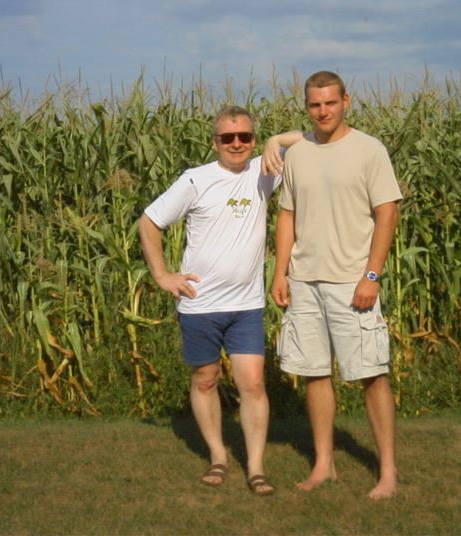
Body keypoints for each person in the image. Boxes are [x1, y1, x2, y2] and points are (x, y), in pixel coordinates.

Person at [139, 105, 300, 496]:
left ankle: (256, 467)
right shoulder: (195, 180)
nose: (237, 144)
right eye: (228, 137)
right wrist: (162, 275)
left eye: (245, 136)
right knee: (206, 379)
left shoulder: (266, 171)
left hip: (246, 305)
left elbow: (313, 136)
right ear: (214, 142)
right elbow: (149, 222)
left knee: (254, 383)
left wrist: (275, 140)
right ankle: (217, 456)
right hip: (200, 305)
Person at [270, 71, 402, 500]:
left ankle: (387, 472)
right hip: (304, 282)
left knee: (371, 375)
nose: (323, 111)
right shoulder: (299, 153)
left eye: (330, 102)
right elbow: (286, 215)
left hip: (352, 282)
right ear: (306, 106)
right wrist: (280, 272)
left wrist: (371, 275)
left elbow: (387, 213)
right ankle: (324, 464)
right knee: (314, 374)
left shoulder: (369, 150)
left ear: (346, 100)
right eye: (314, 104)